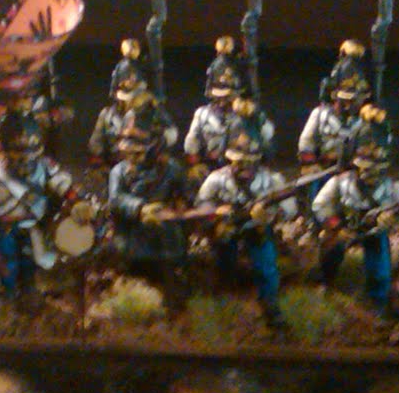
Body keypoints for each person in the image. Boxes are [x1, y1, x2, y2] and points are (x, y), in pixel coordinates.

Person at [0, 111, 90, 310]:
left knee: (30, 262)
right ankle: (9, 296)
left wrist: (76, 200)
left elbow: (61, 183)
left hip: (33, 225)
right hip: (3, 227)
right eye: (19, 153)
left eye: (30, 154)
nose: (25, 160)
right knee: (6, 265)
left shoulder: (45, 165)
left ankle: (28, 292)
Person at [195, 112, 296, 331]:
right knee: (224, 259)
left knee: (266, 265)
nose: (245, 167)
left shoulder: (270, 179)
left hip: (256, 229)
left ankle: (269, 302)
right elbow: (201, 204)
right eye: (239, 162)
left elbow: (290, 209)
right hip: (228, 228)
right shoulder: (217, 178)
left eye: (250, 162)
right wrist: (216, 215)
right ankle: (223, 296)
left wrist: (269, 215)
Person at [312, 105, 399, 316]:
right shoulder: (340, 183)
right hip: (344, 227)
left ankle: (379, 302)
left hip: (373, 231)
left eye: (376, 167)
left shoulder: (393, 188)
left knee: (380, 267)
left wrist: (392, 219)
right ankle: (327, 284)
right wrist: (336, 226)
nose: (370, 172)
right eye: (365, 166)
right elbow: (320, 205)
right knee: (330, 250)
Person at [105, 107, 192, 307]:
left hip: (164, 233)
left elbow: (186, 194)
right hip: (132, 230)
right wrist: (140, 208)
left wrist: (183, 203)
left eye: (138, 150)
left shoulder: (172, 169)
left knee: (170, 263)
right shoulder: (119, 171)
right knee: (131, 273)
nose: (131, 155)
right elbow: (116, 199)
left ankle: (172, 292)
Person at [185, 36, 273, 179]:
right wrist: (195, 166)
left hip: (245, 168)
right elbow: (192, 144)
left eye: (228, 97)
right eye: (219, 96)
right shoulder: (203, 115)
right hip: (211, 168)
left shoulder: (248, 116)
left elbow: (267, 142)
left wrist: (255, 119)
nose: (223, 101)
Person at [88, 39, 176, 167]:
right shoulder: (108, 115)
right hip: (117, 164)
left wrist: (151, 136)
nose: (130, 101)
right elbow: (96, 144)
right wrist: (98, 162)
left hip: (147, 163)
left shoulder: (153, 111)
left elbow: (171, 133)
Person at [298, 39, 371, 168]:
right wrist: (312, 166)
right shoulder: (320, 115)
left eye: (355, 100)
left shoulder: (366, 120)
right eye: (347, 100)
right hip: (324, 170)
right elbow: (306, 145)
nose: (350, 105)